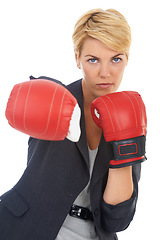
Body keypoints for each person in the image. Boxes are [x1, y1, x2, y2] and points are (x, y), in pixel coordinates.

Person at [0, 8, 147, 240]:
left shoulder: (130, 116)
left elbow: (116, 219)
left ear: (128, 59)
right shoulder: (55, 97)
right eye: (93, 60)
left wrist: (125, 144)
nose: (105, 73)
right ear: (77, 58)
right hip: (28, 229)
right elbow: (29, 98)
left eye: (116, 59)